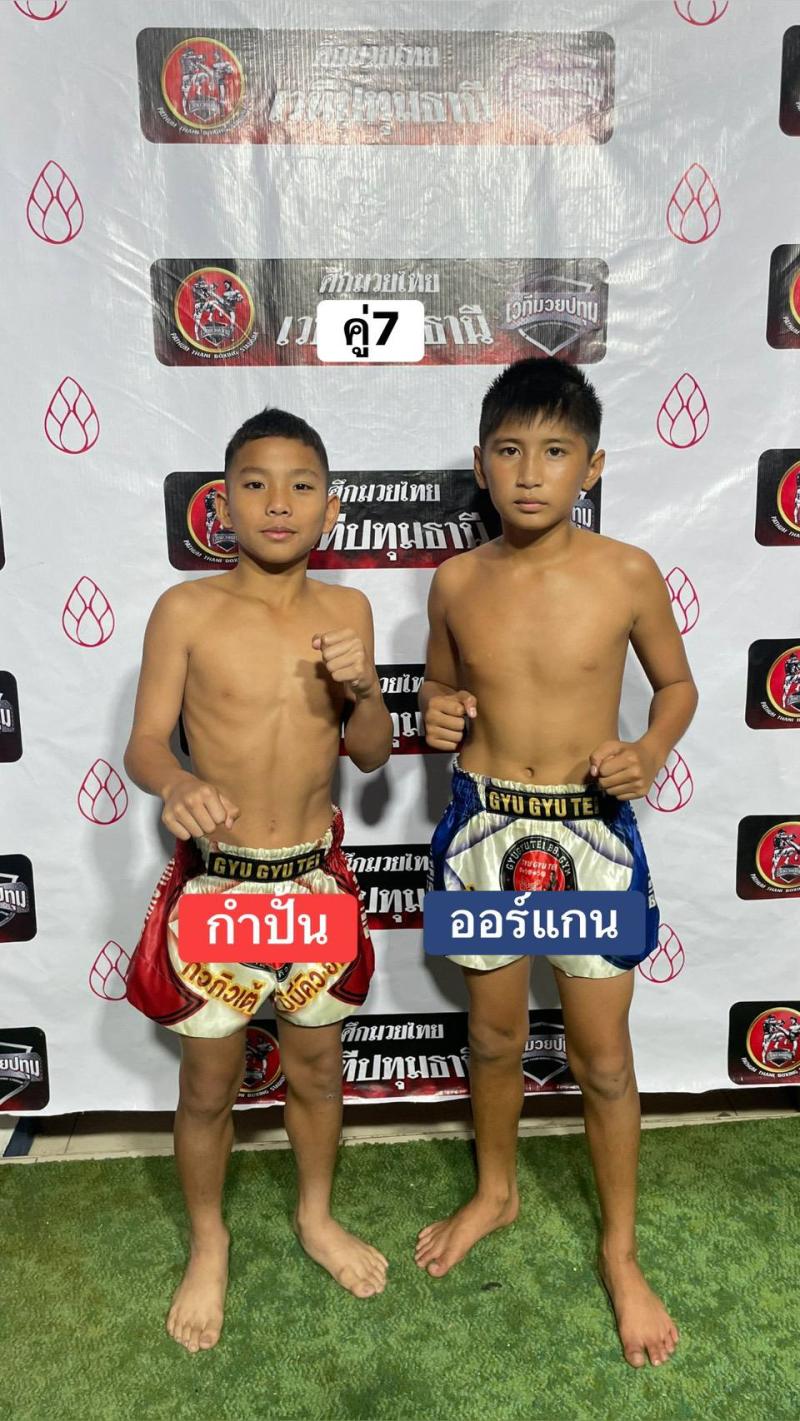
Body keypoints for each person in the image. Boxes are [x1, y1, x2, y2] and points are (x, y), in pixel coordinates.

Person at [419, 356, 697, 1369]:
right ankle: (496, 1190)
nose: (529, 472)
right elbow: (439, 691)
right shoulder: (456, 579)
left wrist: (650, 749)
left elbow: (676, 685)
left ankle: (620, 1251)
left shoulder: (627, 571)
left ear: (592, 465)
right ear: (480, 465)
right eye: (508, 450)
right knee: (494, 1036)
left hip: (590, 831)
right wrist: (437, 712)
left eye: (553, 451)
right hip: (484, 826)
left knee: (604, 1057)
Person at [124, 407, 393, 1353]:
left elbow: (371, 754)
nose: (279, 502)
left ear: (330, 506)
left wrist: (366, 689)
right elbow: (145, 742)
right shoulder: (186, 610)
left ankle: (316, 1215)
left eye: (301, 485)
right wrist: (177, 782)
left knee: (316, 1069)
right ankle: (210, 1240)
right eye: (255, 483)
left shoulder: (348, 613)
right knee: (209, 1083)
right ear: (223, 502)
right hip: (221, 885)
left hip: (312, 880)